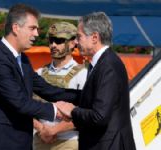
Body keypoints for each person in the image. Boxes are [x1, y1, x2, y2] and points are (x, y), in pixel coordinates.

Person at [0, 4, 79, 150]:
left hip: (21, 142)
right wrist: (56, 110)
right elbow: (20, 102)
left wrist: (86, 95)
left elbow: (47, 90)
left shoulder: (22, 59)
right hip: (1, 143)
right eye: (32, 28)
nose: (37, 34)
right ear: (16, 28)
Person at [56, 12, 136, 150]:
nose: (75, 42)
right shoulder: (101, 63)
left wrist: (73, 111)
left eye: (79, 37)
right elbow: (92, 100)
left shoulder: (108, 66)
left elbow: (99, 116)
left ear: (94, 37)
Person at [33, 22, 87, 150]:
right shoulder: (38, 73)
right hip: (40, 139)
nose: (53, 45)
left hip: (69, 141)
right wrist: (41, 128)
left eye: (59, 40)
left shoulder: (83, 74)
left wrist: (54, 130)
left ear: (74, 42)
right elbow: (25, 105)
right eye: (51, 40)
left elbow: (86, 113)